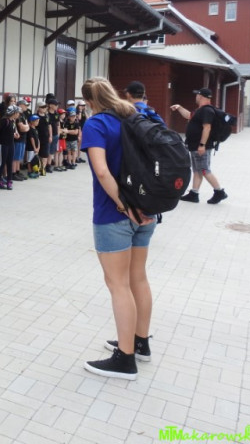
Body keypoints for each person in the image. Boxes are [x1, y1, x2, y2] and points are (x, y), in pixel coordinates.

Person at [80, 77, 156, 380]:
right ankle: (140, 343)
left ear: (89, 101)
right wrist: (136, 206)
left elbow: (102, 170)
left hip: (114, 213)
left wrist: (123, 205)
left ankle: (125, 359)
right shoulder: (136, 116)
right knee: (138, 278)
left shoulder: (96, 124)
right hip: (147, 209)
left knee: (118, 284)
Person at [171, 88, 228, 204]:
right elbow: (189, 115)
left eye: (197, 95)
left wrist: (202, 145)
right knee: (197, 170)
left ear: (201, 96)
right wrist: (179, 107)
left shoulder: (207, 111)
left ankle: (219, 192)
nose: (196, 97)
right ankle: (194, 193)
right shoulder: (200, 110)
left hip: (201, 146)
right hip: (195, 145)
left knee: (204, 170)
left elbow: (207, 127)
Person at [0, 105, 19, 190]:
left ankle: (9, 180)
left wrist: (15, 134)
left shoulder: (13, 121)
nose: (18, 114)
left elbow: (12, 131)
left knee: (10, 163)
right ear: (14, 113)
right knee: (2, 163)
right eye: (17, 112)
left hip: (11, 144)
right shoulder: (4, 121)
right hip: (3, 144)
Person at [35, 102, 51, 176]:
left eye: (45, 107)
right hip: (38, 137)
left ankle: (43, 168)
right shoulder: (36, 116)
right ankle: (37, 168)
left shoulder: (47, 116)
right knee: (38, 154)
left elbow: (49, 126)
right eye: (43, 107)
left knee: (45, 154)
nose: (44, 108)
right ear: (38, 108)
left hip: (45, 138)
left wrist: (50, 136)